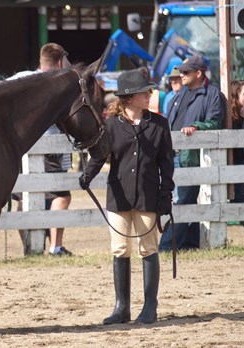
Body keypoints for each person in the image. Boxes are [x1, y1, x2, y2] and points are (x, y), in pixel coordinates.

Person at [79, 68, 175, 325]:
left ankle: (149, 307)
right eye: (145, 92)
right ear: (130, 97)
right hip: (119, 196)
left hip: (148, 195)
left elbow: (167, 164)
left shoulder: (159, 125)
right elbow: (99, 155)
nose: (149, 95)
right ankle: (122, 307)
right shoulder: (110, 126)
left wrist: (166, 195)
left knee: (148, 248)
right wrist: (87, 175)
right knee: (120, 249)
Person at [8, 43, 74, 256]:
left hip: (20, 147)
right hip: (48, 147)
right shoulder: (57, 83)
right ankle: (55, 247)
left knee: (22, 197)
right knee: (60, 195)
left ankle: (30, 247)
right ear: (59, 62)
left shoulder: (21, 78)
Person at [159, 55, 226, 251]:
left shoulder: (212, 95)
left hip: (192, 156)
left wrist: (196, 127)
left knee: (182, 200)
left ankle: (166, 246)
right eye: (181, 72)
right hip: (173, 155)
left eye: (186, 72)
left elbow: (215, 123)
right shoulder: (179, 96)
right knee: (180, 200)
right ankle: (190, 242)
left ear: (199, 73)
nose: (182, 75)